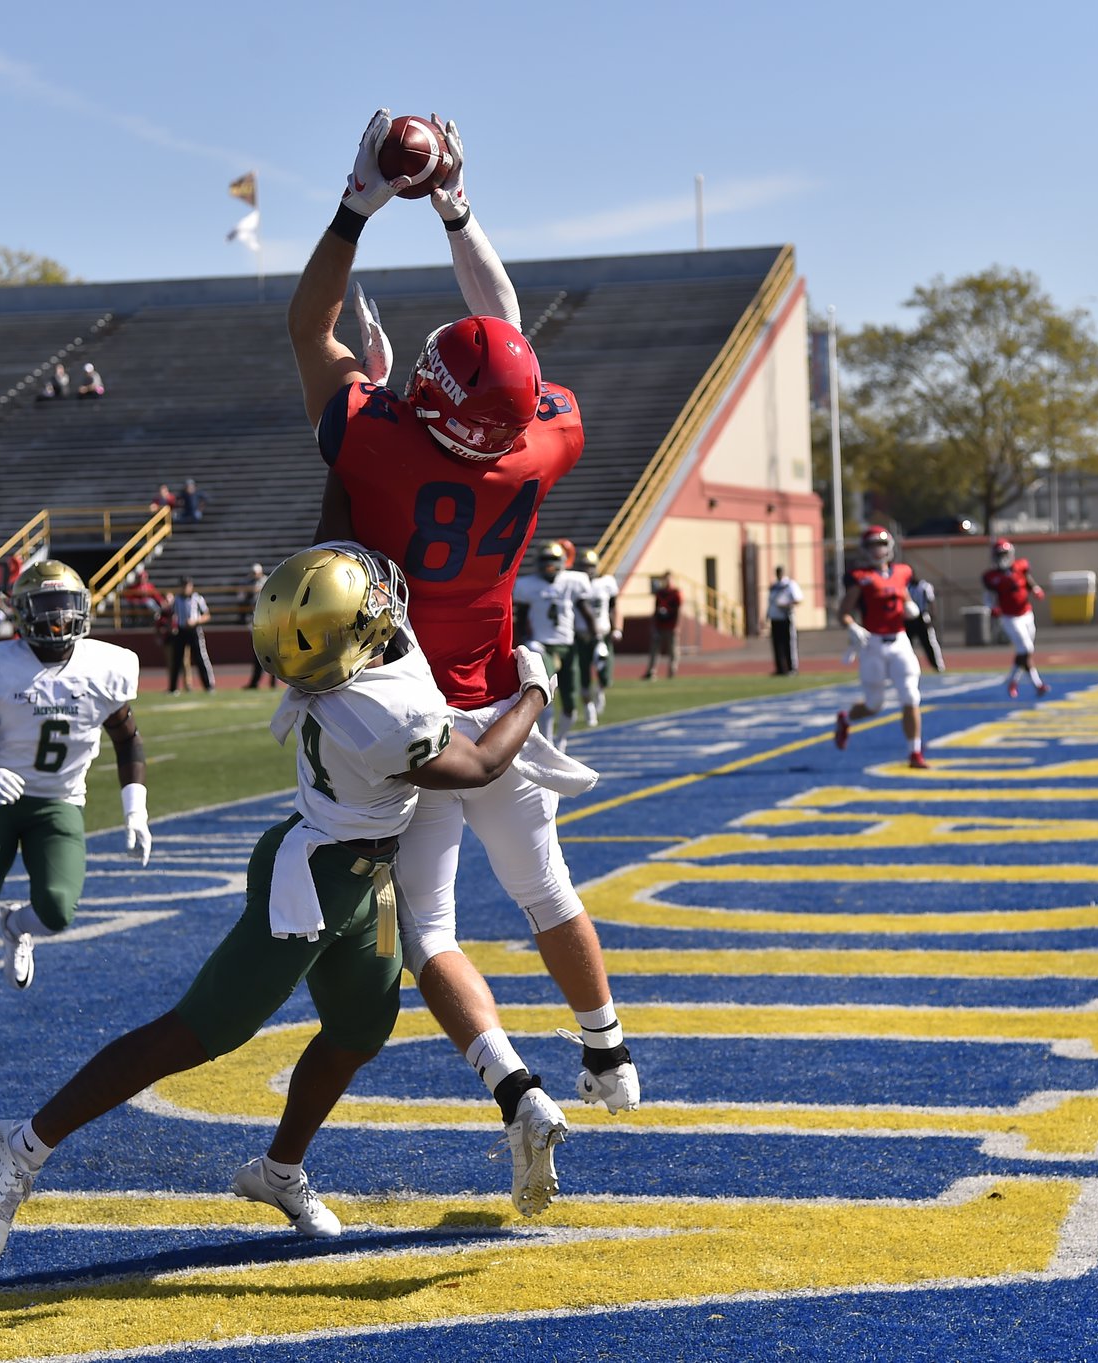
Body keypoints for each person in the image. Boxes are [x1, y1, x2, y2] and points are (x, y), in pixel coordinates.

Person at [0, 543, 554, 1256]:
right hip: (313, 879)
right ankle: (22, 1147)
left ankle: (279, 1169)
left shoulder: (349, 664)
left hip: (368, 877)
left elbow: (376, 624)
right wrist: (535, 689)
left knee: (360, 1031)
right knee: (197, 1031)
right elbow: (487, 762)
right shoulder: (380, 708)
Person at [287, 109, 637, 1217]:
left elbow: (310, 326)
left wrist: (359, 200)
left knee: (429, 931)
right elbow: (507, 329)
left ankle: (515, 1087)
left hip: (411, 717)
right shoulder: (537, 449)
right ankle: (606, 1048)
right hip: (502, 700)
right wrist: (454, 202)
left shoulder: (381, 440)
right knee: (544, 888)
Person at [0, 562, 151, 1063]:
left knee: (57, 911)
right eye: (47, 608)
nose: (59, 620)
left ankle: (17, 928)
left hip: (60, 802)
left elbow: (128, 740)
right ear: (21, 612)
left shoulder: (108, 666)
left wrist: (136, 810)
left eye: (68, 606)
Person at [834, 525, 928, 769]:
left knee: (910, 695)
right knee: (874, 705)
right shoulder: (860, 577)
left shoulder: (902, 572)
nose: (878, 550)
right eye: (873, 545)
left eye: (881, 544)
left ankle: (914, 753)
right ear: (866, 550)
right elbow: (843, 613)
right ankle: (846, 719)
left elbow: (903, 595)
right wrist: (852, 626)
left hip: (899, 641)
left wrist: (910, 607)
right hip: (872, 643)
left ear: (890, 547)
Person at [511, 541, 593, 746]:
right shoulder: (527, 585)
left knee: (570, 701)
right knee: (545, 693)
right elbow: (519, 619)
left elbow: (584, 610)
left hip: (567, 645)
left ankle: (561, 739)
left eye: (554, 560)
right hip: (541, 645)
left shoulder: (574, 581)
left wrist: (595, 635)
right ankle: (547, 742)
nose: (549, 565)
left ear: (563, 561)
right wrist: (523, 643)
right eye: (546, 560)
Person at [983, 538, 1049, 698]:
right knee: (1026, 649)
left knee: (1025, 652)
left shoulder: (1020, 566)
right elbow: (988, 595)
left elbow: (1027, 580)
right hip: (1010, 617)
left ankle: (1019, 681)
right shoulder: (991, 576)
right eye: (1000, 555)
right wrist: (992, 608)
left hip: (1027, 613)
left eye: (1005, 554)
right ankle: (1031, 683)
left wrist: (1035, 588)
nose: (1003, 558)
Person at [573, 549, 620, 724]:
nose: (587, 569)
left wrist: (617, 628)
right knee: (583, 675)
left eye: (589, 566)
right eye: (584, 566)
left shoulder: (606, 583)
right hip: (581, 636)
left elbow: (613, 607)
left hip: (603, 635)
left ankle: (600, 690)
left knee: (605, 673)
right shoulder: (574, 583)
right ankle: (588, 708)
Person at [166, 578, 214, 693]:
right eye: (183, 586)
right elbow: (171, 615)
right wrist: (171, 627)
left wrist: (195, 621)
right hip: (181, 631)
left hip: (194, 631)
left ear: (191, 586)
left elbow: (207, 615)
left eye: (186, 586)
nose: (185, 588)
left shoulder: (197, 598)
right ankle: (173, 688)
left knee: (200, 658)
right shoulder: (176, 599)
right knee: (177, 660)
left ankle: (208, 686)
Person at [237, 563, 277, 689]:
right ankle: (256, 681)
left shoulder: (266, 581)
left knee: (271, 651)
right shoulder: (247, 583)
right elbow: (240, 597)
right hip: (254, 620)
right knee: (259, 651)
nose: (254, 576)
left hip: (267, 619)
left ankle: (273, 681)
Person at [767, 565, 803, 675]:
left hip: (786, 617)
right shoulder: (774, 587)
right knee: (777, 644)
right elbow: (770, 603)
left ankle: (792, 668)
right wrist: (767, 615)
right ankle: (780, 669)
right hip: (775, 618)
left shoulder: (790, 585)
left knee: (789, 643)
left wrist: (786, 605)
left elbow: (798, 600)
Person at [645, 572, 682, 679]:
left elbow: (679, 609)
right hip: (660, 625)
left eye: (669, 579)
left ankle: (672, 671)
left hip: (671, 625)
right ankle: (651, 671)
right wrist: (654, 625)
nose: (667, 582)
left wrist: (677, 625)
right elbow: (655, 609)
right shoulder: (660, 593)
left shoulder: (676, 593)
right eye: (665, 579)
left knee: (673, 650)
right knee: (655, 649)